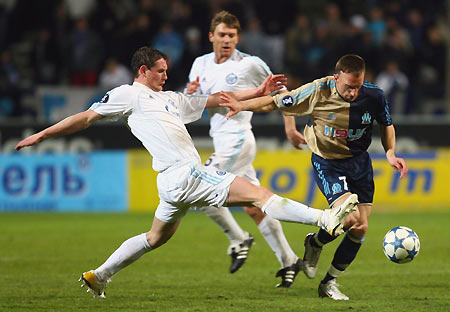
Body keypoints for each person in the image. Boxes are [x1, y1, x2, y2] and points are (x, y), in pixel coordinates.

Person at [15, 47, 357, 298]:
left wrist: (257, 92)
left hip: (171, 183)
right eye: (161, 71)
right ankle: (323, 219)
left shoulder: (170, 99)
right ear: (144, 70)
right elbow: (86, 117)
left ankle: (100, 274)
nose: (166, 76)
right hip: (186, 174)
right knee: (259, 195)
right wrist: (43, 134)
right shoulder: (127, 94)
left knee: (155, 238)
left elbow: (217, 99)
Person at [220, 54, 408, 300]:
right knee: (349, 219)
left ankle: (328, 278)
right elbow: (275, 102)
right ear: (336, 77)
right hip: (328, 163)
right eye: (348, 87)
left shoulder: (374, 95)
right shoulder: (317, 91)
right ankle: (318, 243)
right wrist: (242, 105)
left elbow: (386, 125)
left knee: (361, 227)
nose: (353, 93)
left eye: (358, 87)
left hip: (360, 164)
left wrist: (390, 153)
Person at [186, 10, 303, 287]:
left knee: (199, 189)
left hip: (238, 138)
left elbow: (281, 92)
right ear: (211, 36)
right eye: (222, 35)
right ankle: (289, 260)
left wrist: (289, 128)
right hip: (221, 139)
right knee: (255, 206)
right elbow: (195, 106)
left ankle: (239, 239)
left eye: (232, 35)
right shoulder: (200, 64)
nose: (227, 40)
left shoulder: (250, 64)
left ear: (238, 37)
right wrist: (190, 95)